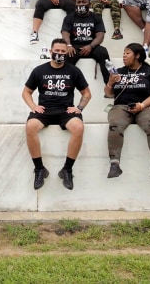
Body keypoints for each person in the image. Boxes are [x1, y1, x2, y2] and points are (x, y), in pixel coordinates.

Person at [22, 39, 91, 191]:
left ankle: (67, 169)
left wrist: (79, 108)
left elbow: (86, 93)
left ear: (66, 53)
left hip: (66, 110)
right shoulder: (39, 70)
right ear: (50, 52)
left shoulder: (73, 71)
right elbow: (26, 92)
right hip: (45, 110)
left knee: (78, 127)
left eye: (62, 51)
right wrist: (33, 106)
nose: (59, 54)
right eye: (57, 51)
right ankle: (39, 169)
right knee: (30, 126)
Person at [104, 43, 150, 182]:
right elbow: (108, 94)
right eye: (123, 53)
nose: (124, 56)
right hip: (121, 106)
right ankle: (114, 164)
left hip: (144, 106)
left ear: (137, 55)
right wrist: (110, 82)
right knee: (115, 124)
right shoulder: (118, 71)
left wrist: (142, 105)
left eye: (127, 53)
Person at [61, 0, 112, 84]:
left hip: (92, 46)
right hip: (75, 47)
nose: (81, 4)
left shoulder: (96, 17)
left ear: (89, 4)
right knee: (68, 54)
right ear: (75, 4)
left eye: (84, 2)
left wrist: (90, 46)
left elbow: (100, 35)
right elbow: (65, 33)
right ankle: (65, 84)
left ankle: (110, 84)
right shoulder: (69, 18)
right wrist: (68, 45)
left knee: (103, 52)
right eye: (79, 2)